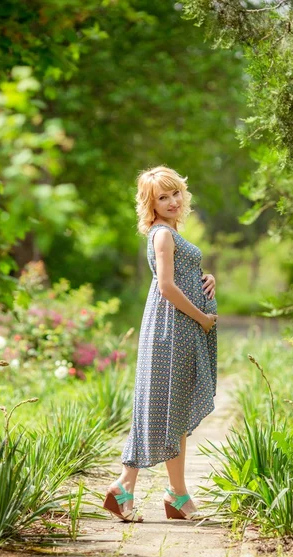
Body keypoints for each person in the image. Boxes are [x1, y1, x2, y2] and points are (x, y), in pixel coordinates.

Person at [103, 165, 218, 523]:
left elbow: (179, 276)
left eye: (175, 193)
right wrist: (201, 317)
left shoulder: (170, 232)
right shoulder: (163, 235)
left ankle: (175, 494)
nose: (171, 201)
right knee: (161, 410)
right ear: (150, 203)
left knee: (174, 412)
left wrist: (206, 278)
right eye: (162, 197)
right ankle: (129, 486)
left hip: (177, 330)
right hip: (173, 330)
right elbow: (166, 287)